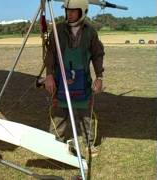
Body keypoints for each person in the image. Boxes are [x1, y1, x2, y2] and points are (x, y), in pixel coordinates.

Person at [44, 0, 105, 155]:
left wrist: (99, 77)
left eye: (73, 11)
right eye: (67, 11)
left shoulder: (90, 32)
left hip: (82, 80)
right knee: (59, 114)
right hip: (60, 79)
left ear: (82, 11)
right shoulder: (58, 30)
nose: (69, 14)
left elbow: (97, 54)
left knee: (86, 115)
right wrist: (49, 75)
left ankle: (90, 144)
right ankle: (56, 145)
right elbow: (50, 53)